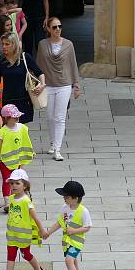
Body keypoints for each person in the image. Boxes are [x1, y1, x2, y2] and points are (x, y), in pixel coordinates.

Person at [36, 16, 82, 162]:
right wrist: (37, 82)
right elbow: (38, 65)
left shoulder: (68, 44)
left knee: (60, 118)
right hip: (48, 84)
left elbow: (73, 64)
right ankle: (52, 142)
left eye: (59, 26)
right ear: (48, 29)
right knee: (50, 117)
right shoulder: (42, 44)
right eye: (54, 27)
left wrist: (76, 85)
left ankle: (57, 149)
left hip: (64, 84)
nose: (58, 29)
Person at [0, 169, 47, 270]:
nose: (14, 186)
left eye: (17, 183)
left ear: (25, 186)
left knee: (26, 255)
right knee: (11, 256)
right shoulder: (12, 199)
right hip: (12, 235)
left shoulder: (26, 201)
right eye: (12, 183)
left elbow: (36, 218)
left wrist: (42, 230)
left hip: (23, 236)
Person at [43, 181, 92, 270]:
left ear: (76, 198)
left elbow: (87, 227)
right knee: (73, 260)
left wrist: (74, 231)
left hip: (77, 242)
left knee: (69, 260)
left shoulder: (83, 211)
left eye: (67, 197)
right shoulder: (65, 208)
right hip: (67, 241)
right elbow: (59, 223)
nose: (64, 198)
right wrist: (48, 232)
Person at [0, 104, 35, 210]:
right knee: (7, 181)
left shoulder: (23, 128)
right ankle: (7, 201)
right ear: (7, 118)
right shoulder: (2, 132)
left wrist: (30, 152)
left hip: (19, 161)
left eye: (17, 116)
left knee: (21, 179)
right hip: (5, 162)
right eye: (14, 116)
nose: (17, 118)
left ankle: (23, 197)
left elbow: (26, 142)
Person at [0, 33, 45, 124]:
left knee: (22, 129)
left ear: (14, 44)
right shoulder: (0, 60)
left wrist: (42, 85)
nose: (4, 47)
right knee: (9, 129)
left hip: (24, 100)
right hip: (8, 100)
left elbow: (39, 73)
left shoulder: (25, 57)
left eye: (7, 44)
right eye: (3, 44)